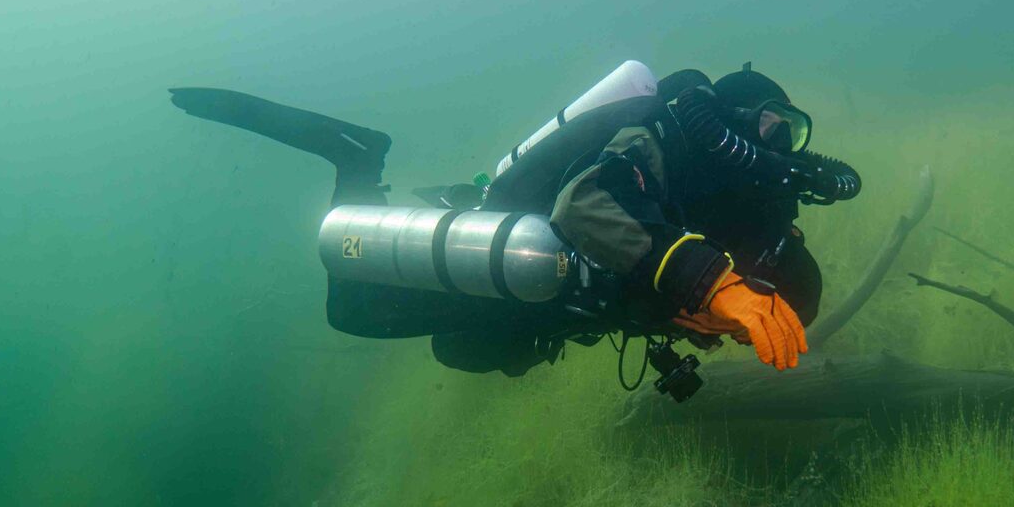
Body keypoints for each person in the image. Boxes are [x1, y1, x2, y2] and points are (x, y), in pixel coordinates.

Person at [168, 66, 860, 380]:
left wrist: (713, 309)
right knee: (354, 310)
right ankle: (356, 158)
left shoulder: (733, 223)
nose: (779, 144)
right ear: (727, 118)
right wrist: (714, 286)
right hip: (523, 240)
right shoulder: (666, 140)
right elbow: (583, 204)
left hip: (541, 291)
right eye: (772, 123)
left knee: (459, 348)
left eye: (793, 133)